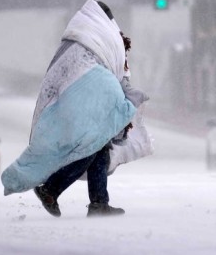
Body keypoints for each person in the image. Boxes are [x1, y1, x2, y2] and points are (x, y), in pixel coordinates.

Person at [1, 0, 147, 217]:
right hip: (86, 99)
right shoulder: (103, 37)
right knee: (90, 146)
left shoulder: (75, 39)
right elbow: (113, 68)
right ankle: (51, 189)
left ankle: (98, 203)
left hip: (73, 100)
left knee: (98, 147)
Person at [34, 28, 150, 218]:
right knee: (90, 151)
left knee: (100, 152)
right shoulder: (102, 50)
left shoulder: (95, 47)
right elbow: (111, 80)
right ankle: (51, 190)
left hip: (88, 107)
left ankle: (98, 203)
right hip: (89, 108)